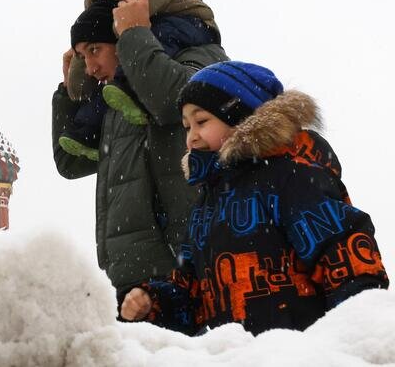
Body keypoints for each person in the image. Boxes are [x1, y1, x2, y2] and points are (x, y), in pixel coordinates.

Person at [119, 61, 389, 335]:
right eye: (187, 127)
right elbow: (192, 291)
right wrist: (155, 301)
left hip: (296, 353)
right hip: (236, 356)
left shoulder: (289, 178)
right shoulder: (206, 203)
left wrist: (358, 332)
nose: (191, 138)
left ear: (239, 117)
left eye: (201, 122)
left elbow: (342, 255)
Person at [52, 0, 228, 299]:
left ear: (120, 39)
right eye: (82, 57)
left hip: (186, 270)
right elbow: (71, 162)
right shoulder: (113, 102)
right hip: (130, 278)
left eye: (94, 50)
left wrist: (134, 33)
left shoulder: (195, 56)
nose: (90, 67)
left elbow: (171, 99)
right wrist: (68, 94)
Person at [59, 0, 221, 159]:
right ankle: (85, 132)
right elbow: (88, 30)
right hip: (142, 31)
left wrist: (132, 23)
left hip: (187, 22)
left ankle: (127, 87)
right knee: (114, 86)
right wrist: (75, 82)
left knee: (152, 44)